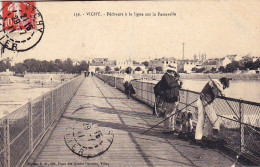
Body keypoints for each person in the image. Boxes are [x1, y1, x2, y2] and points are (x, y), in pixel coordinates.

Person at [195, 77, 230, 144]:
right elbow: (214, 81)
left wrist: (221, 93)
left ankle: (204, 135)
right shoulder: (215, 82)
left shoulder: (216, 86)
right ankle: (200, 138)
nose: (224, 88)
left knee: (212, 120)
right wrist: (222, 90)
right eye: (224, 86)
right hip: (204, 102)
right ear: (222, 83)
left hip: (207, 102)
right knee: (206, 120)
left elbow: (215, 92)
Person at [160, 64, 182, 133]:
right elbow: (169, 84)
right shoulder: (165, 76)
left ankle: (172, 128)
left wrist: (179, 84)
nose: (174, 73)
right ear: (171, 71)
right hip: (169, 97)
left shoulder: (172, 77)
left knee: (173, 113)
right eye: (173, 71)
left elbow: (176, 85)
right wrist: (177, 83)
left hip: (174, 97)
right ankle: (166, 129)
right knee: (168, 113)